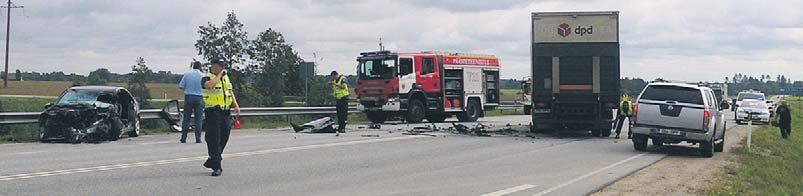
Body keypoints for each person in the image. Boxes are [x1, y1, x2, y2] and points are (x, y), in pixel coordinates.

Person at [201, 58, 240, 176]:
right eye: (220, 66)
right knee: (214, 139)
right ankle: (217, 166)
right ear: (214, 66)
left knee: (224, 136)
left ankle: (213, 159)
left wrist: (236, 105)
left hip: (225, 111)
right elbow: (209, 86)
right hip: (213, 111)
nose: (223, 68)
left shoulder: (225, 78)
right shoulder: (207, 77)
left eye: (223, 66)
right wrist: (219, 76)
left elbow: (230, 91)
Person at [178, 61, 205, 143]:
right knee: (198, 119)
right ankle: (198, 138)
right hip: (199, 97)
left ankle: (184, 137)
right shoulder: (203, 75)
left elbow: (181, 86)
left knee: (186, 118)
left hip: (189, 97)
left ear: (193, 66)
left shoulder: (187, 74)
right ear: (200, 67)